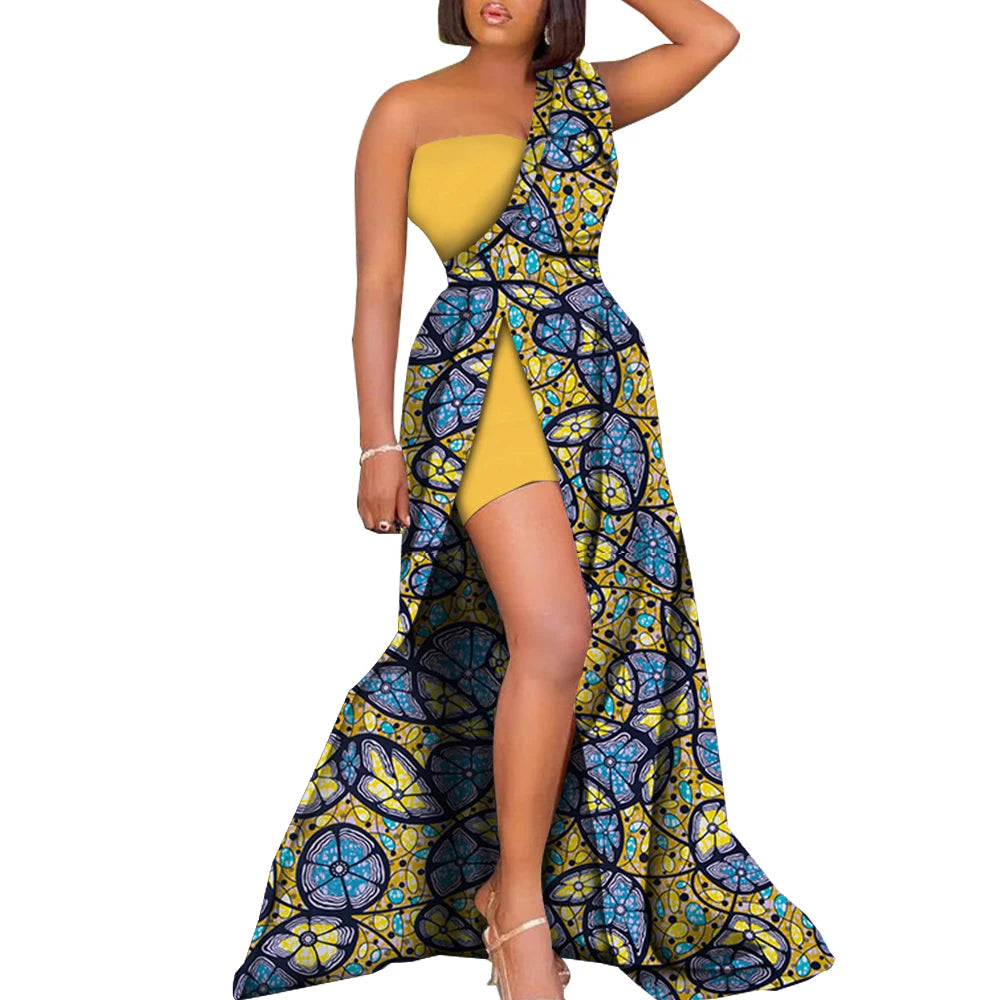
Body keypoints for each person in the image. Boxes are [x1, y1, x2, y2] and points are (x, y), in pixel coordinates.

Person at [232, 3, 836, 999]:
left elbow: (710, 37)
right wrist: (375, 443)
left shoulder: (587, 97)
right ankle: (516, 907)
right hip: (478, 377)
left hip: (596, 381)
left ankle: (513, 890)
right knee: (554, 631)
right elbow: (377, 287)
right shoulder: (403, 109)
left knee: (584, 643)